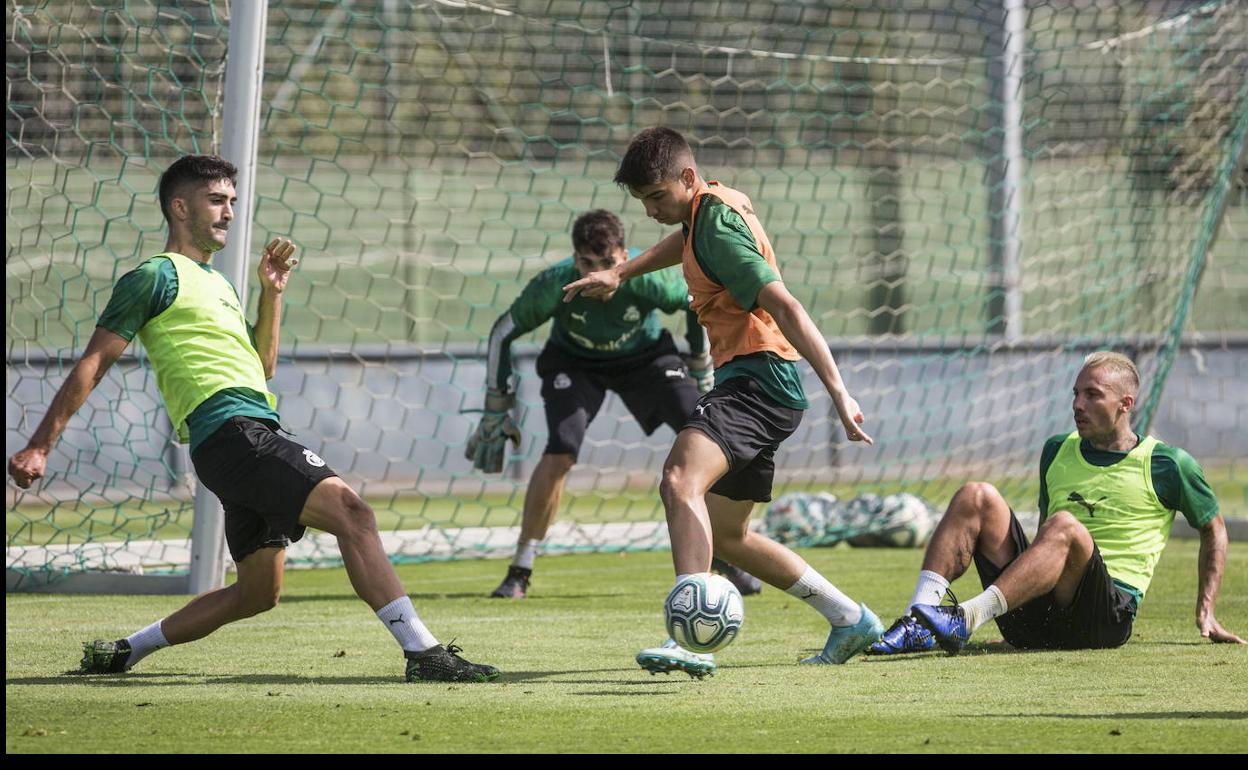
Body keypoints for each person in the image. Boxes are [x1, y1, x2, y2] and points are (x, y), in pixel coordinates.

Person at [8, 155, 499, 683]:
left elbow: (261, 366)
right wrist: (40, 444)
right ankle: (423, 653)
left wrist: (272, 292)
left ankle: (125, 651)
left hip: (246, 433)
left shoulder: (218, 283)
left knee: (259, 593)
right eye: (216, 200)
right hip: (232, 433)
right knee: (354, 515)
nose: (228, 213)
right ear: (179, 206)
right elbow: (94, 361)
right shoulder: (155, 275)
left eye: (232, 203)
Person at [564, 127, 882, 677]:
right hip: (763, 383)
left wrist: (838, 390)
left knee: (678, 480)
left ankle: (689, 640)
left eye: (657, 197)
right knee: (729, 536)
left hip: (757, 379)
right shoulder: (706, 210)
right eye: (642, 202)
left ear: (687, 178)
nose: (650, 211)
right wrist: (620, 269)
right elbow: (683, 241)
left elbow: (787, 305)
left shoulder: (715, 227)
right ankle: (850, 617)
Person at [466, 208, 762, 599]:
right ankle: (520, 569)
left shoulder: (648, 277)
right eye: (587, 264)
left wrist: (700, 364)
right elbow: (502, 331)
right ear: (575, 261)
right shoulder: (555, 284)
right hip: (574, 363)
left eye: (607, 263)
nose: (597, 275)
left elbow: (695, 303)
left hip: (646, 360)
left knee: (707, 438)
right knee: (560, 451)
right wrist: (495, 404)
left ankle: (723, 554)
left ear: (623, 257)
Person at [869, 351, 1244, 655]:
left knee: (1065, 525)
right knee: (976, 494)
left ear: (1125, 403)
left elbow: (1214, 530)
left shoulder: (1167, 464)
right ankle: (917, 622)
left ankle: (966, 618)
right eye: (1075, 394)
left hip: (1103, 620)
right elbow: (1044, 539)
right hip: (1037, 617)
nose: (1077, 405)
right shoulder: (1056, 450)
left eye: (1092, 395)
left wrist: (1206, 610)